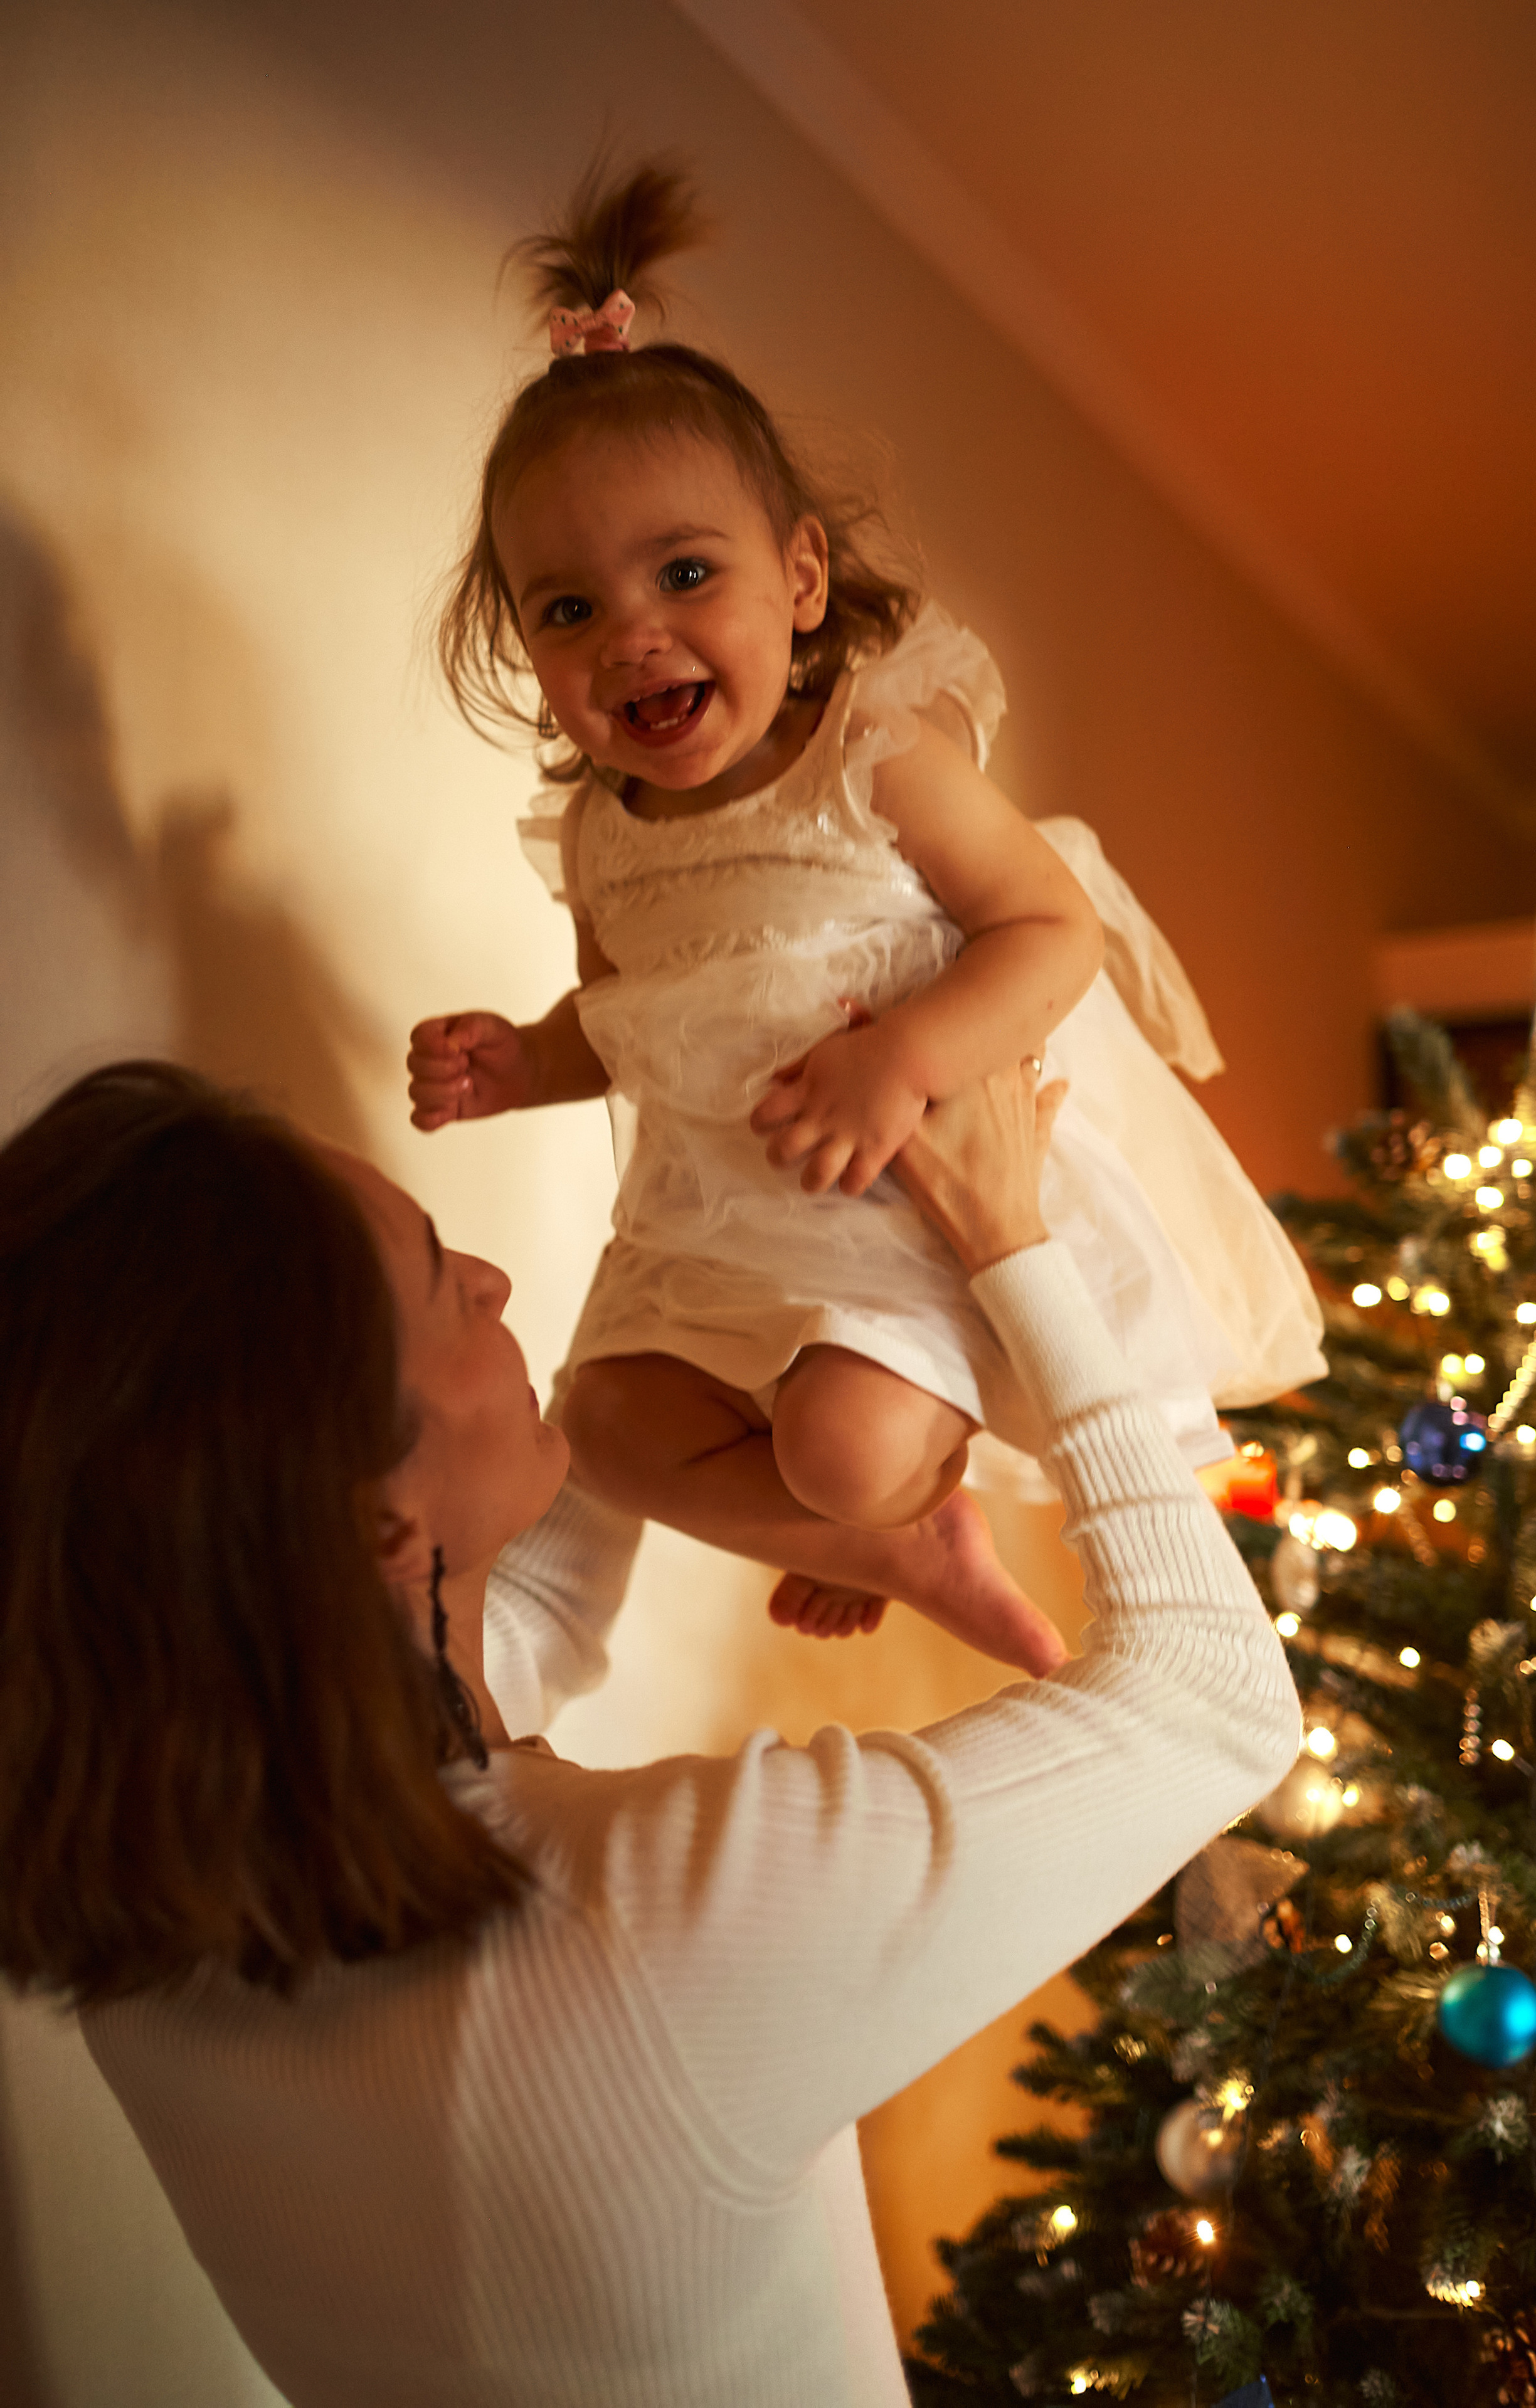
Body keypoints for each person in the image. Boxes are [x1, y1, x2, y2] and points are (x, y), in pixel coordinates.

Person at [0, 1053, 1301, 2408]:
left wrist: (694, 1168)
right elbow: (1213, 1692)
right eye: (444, 1277)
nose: (494, 1282)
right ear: (373, 1520)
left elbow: (538, 1592)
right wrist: (1007, 1237)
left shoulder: (154, 1901)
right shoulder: (638, 1936)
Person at [408, 162, 1327, 1678]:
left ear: (802, 576)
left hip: (896, 1210)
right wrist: (523, 1060)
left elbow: (1047, 928)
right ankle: (892, 1548)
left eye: (683, 573)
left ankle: (888, 1499)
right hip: (709, 1227)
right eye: (565, 611)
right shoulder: (598, 834)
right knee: (604, 1434)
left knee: (838, 1442)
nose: (630, 636)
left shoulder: (876, 756)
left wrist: (902, 1059)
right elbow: (627, 1018)